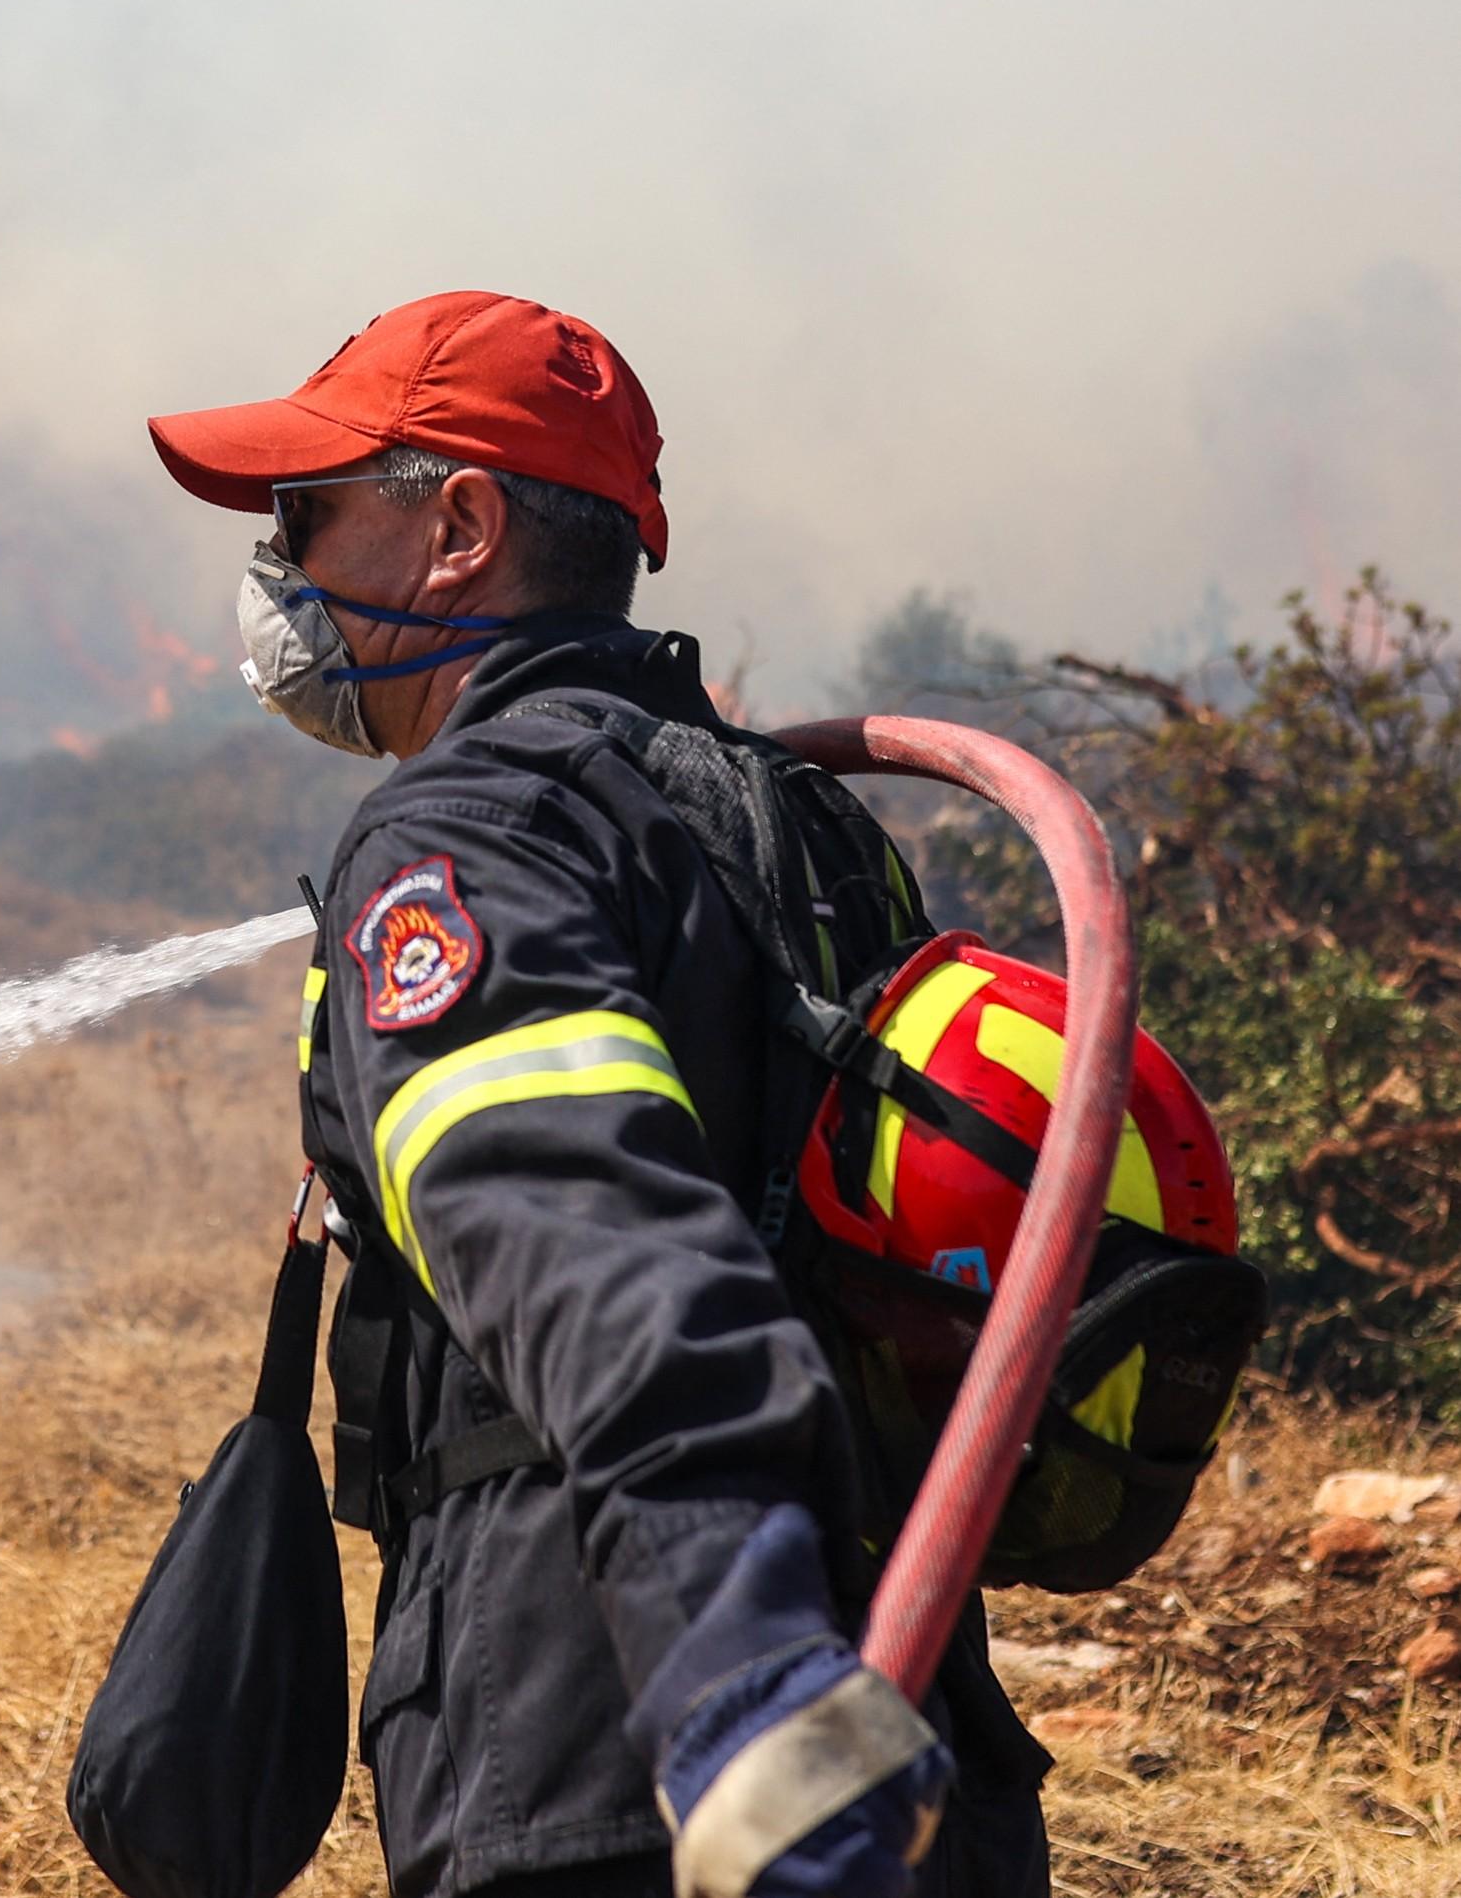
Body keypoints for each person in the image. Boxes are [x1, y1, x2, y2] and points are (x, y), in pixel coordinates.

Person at [145, 293, 1050, 1898]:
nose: (279, 570)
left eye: (309, 512)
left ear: (460, 529)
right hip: (921, 1767)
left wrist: (746, 1688)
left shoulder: (464, 839)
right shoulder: (804, 825)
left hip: (636, 1769)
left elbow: (597, 1248)